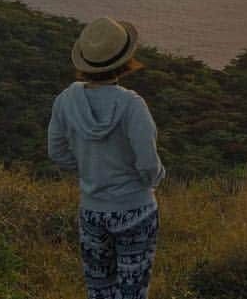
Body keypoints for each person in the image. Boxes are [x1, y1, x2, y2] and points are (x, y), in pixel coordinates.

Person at [48, 17, 166, 299]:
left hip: (92, 211)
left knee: (99, 290)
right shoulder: (132, 105)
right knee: (132, 291)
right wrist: (155, 179)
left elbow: (56, 152)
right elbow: (148, 164)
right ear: (125, 61)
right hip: (135, 209)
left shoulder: (65, 101)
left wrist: (90, 171)